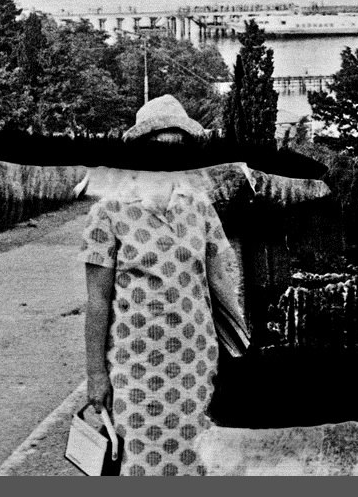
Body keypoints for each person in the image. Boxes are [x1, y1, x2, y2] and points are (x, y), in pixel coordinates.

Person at [78, 95, 248, 476]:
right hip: (135, 371)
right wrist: (95, 375)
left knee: (199, 461)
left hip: (196, 367)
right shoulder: (108, 211)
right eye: (159, 146)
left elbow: (222, 280)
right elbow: (97, 301)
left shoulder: (199, 205)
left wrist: (239, 353)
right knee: (140, 465)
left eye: (177, 146)